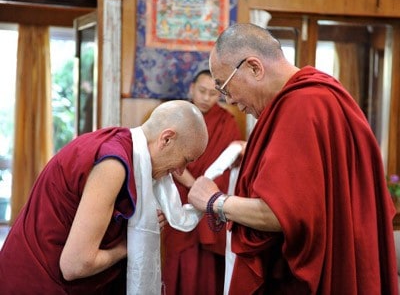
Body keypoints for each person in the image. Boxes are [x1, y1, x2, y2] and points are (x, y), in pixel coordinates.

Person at [187, 23, 399, 294]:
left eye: (225, 87)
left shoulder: (302, 105)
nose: (229, 100)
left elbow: (283, 214)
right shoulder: (320, 94)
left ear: (254, 67)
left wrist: (215, 202)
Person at [0, 100, 208, 294]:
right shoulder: (113, 164)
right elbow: (75, 265)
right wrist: (130, 244)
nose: (181, 171)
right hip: (38, 282)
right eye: (185, 160)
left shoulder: (124, 147)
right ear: (166, 139)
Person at [161, 69, 243, 294]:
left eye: (214, 93)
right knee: (180, 256)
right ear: (192, 89)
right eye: (202, 91)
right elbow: (168, 159)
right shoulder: (176, 117)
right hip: (180, 194)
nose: (207, 98)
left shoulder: (226, 122)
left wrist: (205, 193)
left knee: (208, 266)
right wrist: (195, 187)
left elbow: (228, 166)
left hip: (211, 200)